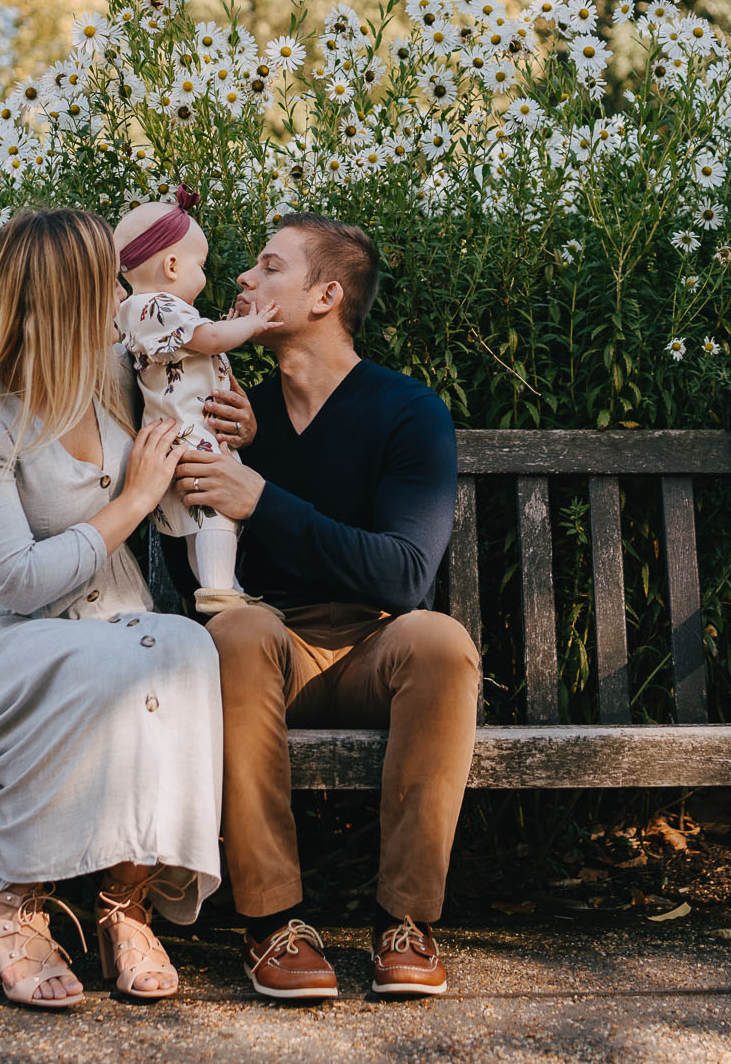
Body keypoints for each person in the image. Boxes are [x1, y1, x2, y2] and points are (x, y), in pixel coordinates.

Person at [0, 208, 226, 1009]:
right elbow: (14, 579)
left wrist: (229, 422)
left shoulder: (116, 374)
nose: (123, 289)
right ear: (64, 295)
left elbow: (188, 397)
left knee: (187, 647)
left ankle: (126, 899)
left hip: (111, 625)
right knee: (107, 659)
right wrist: (133, 500)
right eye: (102, 281)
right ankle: (12, 899)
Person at [174, 213, 479, 1000]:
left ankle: (406, 922)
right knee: (234, 628)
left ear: (325, 295)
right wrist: (247, 454)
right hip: (270, 643)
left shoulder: (409, 412)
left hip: (377, 648)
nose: (243, 280)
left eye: (268, 267)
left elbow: (405, 576)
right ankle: (272, 922)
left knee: (442, 640)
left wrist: (264, 497)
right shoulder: (236, 410)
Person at [111, 187, 281, 614]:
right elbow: (207, 339)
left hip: (172, 436)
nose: (204, 278)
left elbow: (198, 345)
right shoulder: (162, 306)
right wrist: (252, 325)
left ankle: (217, 587)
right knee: (218, 513)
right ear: (171, 265)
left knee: (196, 525)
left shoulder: (137, 309)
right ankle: (221, 592)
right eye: (200, 267)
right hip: (193, 434)